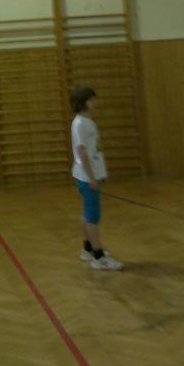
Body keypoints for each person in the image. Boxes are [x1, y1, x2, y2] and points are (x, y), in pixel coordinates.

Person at [70, 86, 124, 271]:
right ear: (83, 102)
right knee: (92, 217)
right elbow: (81, 152)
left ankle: (88, 250)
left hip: (91, 175)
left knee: (88, 214)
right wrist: (92, 178)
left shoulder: (88, 121)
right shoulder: (80, 123)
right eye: (91, 99)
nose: (95, 102)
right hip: (87, 177)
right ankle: (99, 257)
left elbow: (94, 151)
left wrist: (100, 174)